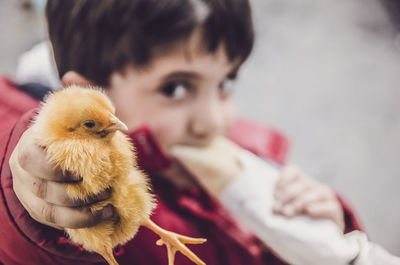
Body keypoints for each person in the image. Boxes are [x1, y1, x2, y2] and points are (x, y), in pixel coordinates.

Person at [0, 0, 362, 264]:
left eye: (225, 82)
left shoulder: (246, 155)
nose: (214, 122)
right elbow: (24, 234)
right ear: (88, 94)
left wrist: (325, 232)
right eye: (175, 88)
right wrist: (37, 195)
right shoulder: (83, 199)